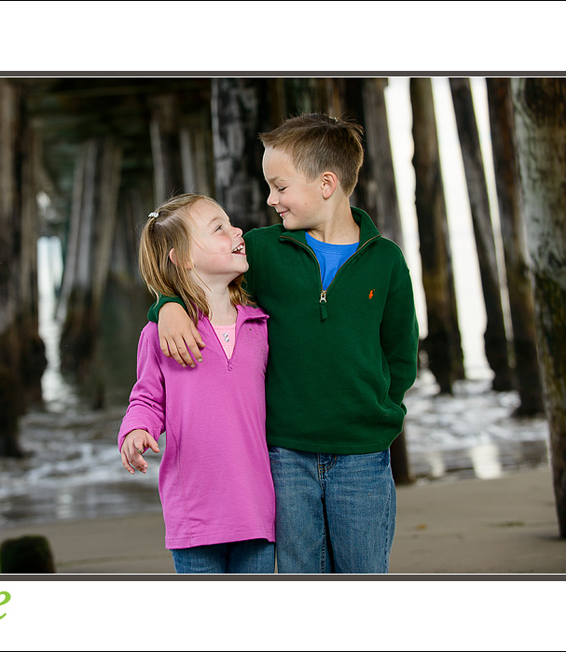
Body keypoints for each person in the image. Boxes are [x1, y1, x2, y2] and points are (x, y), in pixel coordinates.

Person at [152, 114, 419, 573]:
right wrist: (167, 305)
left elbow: (401, 353)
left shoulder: (386, 261)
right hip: (284, 454)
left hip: (363, 454)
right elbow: (199, 276)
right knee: (300, 573)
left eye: (279, 186)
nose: (270, 199)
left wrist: (378, 410)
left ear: (327, 184)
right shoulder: (261, 250)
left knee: (366, 571)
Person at [118, 193, 275, 574]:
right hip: (194, 516)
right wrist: (136, 430)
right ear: (183, 258)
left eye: (229, 222)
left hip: (256, 510)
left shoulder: (260, 325)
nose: (237, 230)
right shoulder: (160, 334)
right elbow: (147, 399)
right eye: (218, 228)